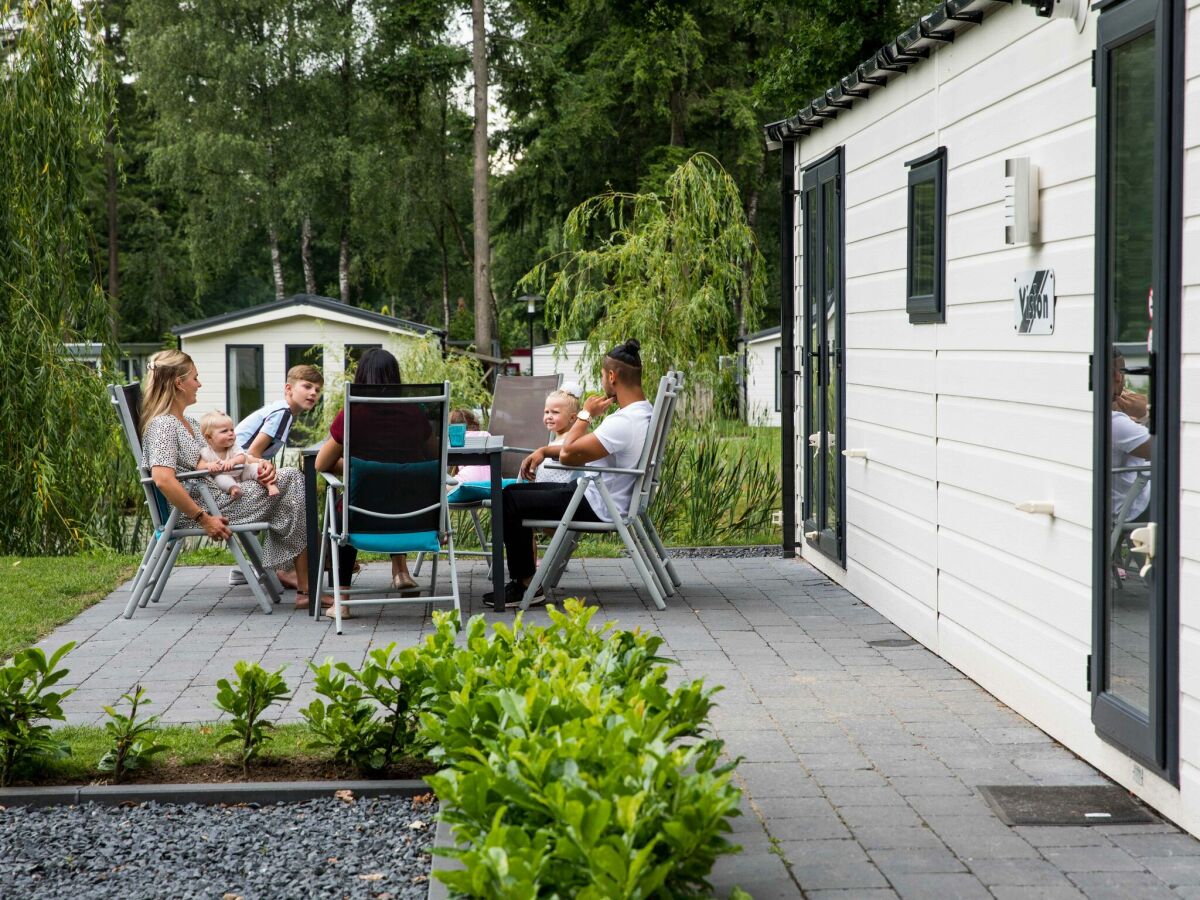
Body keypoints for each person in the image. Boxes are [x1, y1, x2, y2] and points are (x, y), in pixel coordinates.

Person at [485, 339, 653, 609]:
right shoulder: (644, 412)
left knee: (508, 500)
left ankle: (527, 583)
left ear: (612, 376)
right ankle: (526, 579)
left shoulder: (623, 423)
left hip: (598, 504)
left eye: (602, 375)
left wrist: (586, 414)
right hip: (600, 496)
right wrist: (543, 450)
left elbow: (568, 454)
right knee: (511, 494)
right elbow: (572, 452)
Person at [138, 349, 310, 608]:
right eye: (195, 378)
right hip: (209, 506)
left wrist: (262, 464)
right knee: (295, 480)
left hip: (220, 496)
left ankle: (294, 577)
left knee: (287, 482)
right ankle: (302, 585)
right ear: (179, 383)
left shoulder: (189, 422)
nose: (199, 384)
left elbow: (221, 458)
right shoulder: (163, 425)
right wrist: (203, 519)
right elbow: (163, 479)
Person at [315, 348, 431, 613]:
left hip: (362, 514)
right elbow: (432, 457)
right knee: (391, 487)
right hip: (415, 513)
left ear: (361, 377)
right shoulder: (415, 413)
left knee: (341, 509)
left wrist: (361, 467)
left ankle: (342, 602)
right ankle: (401, 572)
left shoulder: (354, 413)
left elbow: (321, 464)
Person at [227, 364, 323, 588]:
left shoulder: (282, 412)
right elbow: (252, 453)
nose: (313, 393)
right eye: (307, 386)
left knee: (295, 497)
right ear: (288, 388)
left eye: (317, 390)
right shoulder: (283, 413)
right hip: (234, 473)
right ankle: (294, 567)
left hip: (239, 471)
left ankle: (293, 564)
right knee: (295, 495)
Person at [1110, 349, 1152, 521]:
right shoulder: (1116, 423)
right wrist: (1148, 411)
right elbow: (1167, 449)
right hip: (1134, 507)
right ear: (1118, 377)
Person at [199, 410, 277, 500]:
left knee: (254, 467)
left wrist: (233, 461)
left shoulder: (233, 446)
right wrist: (208, 465)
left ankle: (269, 484)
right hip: (226, 476)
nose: (231, 433)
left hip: (242, 472)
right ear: (209, 437)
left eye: (232, 429)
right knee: (219, 478)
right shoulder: (205, 452)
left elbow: (242, 457)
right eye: (224, 431)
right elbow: (199, 466)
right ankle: (234, 489)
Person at [519, 384, 582, 485]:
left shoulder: (572, 438)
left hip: (561, 493)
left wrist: (543, 451)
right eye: (546, 412)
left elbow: (571, 448)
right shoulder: (554, 441)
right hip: (544, 490)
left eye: (555, 412)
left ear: (572, 418)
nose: (549, 416)